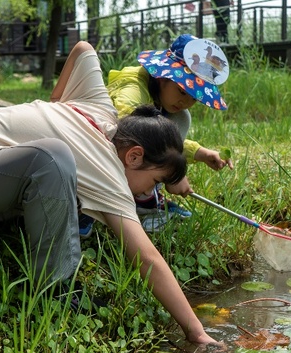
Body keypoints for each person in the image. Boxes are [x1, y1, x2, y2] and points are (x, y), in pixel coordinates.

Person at [0, 40, 217, 345]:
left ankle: (1, 220)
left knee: (56, 163)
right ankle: (55, 287)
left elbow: (83, 49)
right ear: (134, 156)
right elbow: (147, 258)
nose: (149, 191)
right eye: (154, 182)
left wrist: (56, 103)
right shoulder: (109, 172)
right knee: (54, 156)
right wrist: (196, 332)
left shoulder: (100, 105)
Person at [59, 34, 231, 235]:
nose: (185, 101)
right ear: (162, 76)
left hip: (118, 152)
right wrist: (173, 173)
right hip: (90, 150)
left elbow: (157, 138)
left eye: (194, 98)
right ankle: (90, 204)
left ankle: (143, 197)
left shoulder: (164, 99)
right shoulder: (133, 91)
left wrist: (199, 153)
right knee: (153, 132)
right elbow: (123, 134)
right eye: (182, 91)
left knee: (181, 118)